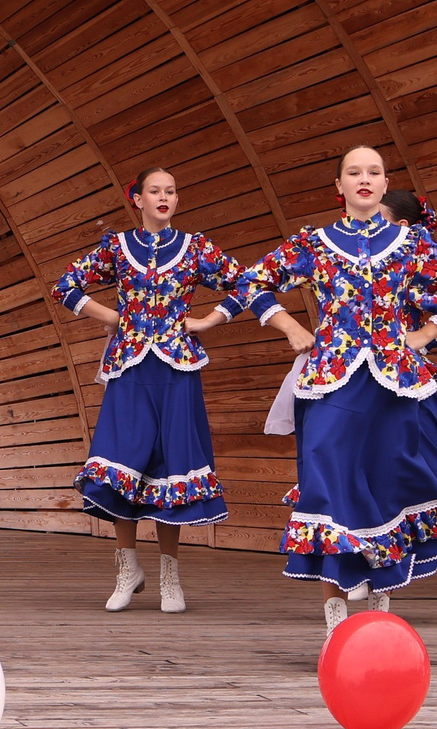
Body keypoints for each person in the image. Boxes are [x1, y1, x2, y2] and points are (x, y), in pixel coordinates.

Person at [53, 165, 278, 612]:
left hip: (177, 368)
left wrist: (211, 320)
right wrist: (113, 318)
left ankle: (170, 575)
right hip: (130, 369)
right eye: (154, 191)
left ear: (176, 200)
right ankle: (127, 567)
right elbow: (66, 285)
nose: (163, 197)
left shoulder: (196, 249)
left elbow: (250, 282)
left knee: (170, 463)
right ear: (136, 199)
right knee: (122, 460)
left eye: (170, 191)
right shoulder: (116, 248)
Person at [238, 145, 437, 641]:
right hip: (331, 382)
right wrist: (288, 326)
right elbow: (253, 283)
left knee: (387, 486)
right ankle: (335, 625)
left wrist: (424, 335)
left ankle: (381, 617)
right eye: (354, 172)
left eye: (374, 172)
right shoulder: (316, 242)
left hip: (393, 385)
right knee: (327, 487)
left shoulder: (412, 242)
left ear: (384, 182)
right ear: (340, 186)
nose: (364, 179)